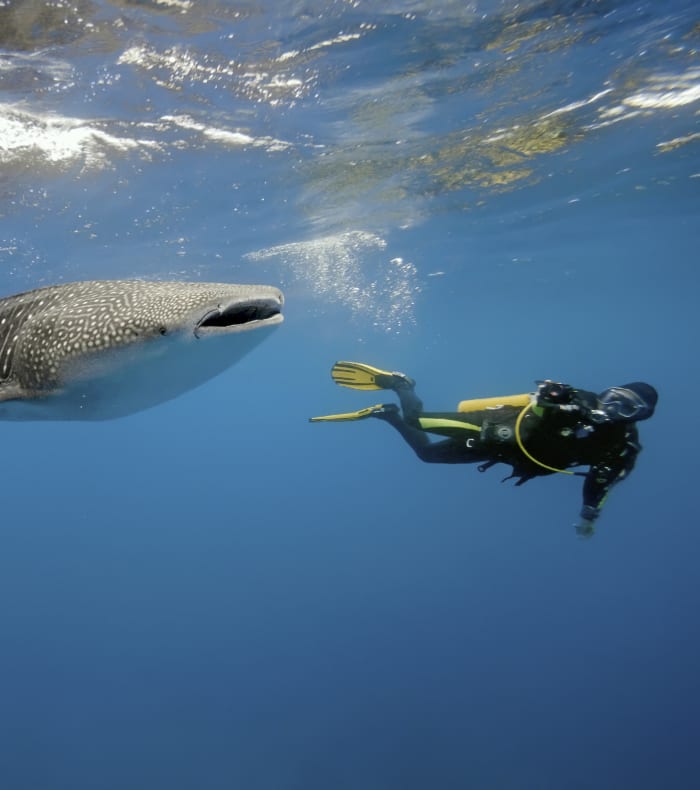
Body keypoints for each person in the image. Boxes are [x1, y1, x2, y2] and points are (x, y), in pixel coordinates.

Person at [310, 362, 658, 538]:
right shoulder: (578, 399)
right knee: (417, 420)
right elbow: (540, 404)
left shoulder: (621, 448)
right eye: (614, 398)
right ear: (606, 392)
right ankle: (401, 384)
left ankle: (386, 415)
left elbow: (601, 482)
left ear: (639, 417)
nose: (613, 408)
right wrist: (550, 398)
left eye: (627, 408)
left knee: (426, 455)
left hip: (506, 454)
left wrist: (589, 514)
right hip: (492, 428)